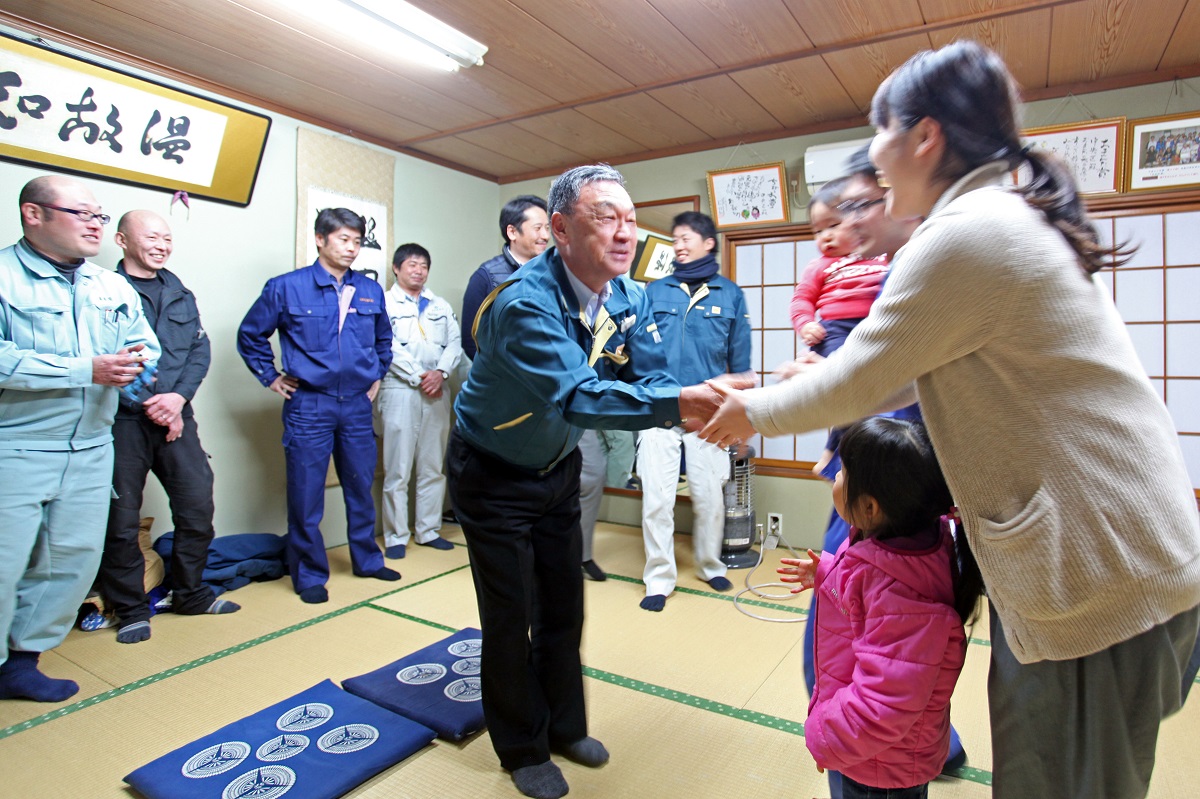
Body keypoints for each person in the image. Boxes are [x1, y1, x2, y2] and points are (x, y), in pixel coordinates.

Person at [698, 41, 1200, 799]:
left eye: (879, 131)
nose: (872, 159)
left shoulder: (968, 230)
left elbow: (865, 376)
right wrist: (825, 380)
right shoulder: (1000, 218)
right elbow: (892, 374)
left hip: (1097, 579)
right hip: (1108, 566)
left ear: (924, 135)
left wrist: (748, 412)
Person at [448, 164, 744, 799]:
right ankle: (521, 747)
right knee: (510, 618)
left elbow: (652, 371)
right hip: (492, 471)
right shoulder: (524, 301)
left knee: (563, 606)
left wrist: (704, 391)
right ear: (559, 229)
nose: (625, 233)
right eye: (605, 217)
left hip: (554, 465)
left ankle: (564, 726)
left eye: (631, 219)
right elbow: (580, 398)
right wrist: (685, 403)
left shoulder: (627, 294)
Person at [0, 175, 159, 701]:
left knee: (69, 561)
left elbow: (144, 344)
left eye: (100, 216)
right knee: (4, 562)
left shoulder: (109, 285)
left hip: (92, 446)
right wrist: (80, 370)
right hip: (16, 445)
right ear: (34, 214)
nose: (96, 224)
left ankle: (22, 664)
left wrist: (136, 367)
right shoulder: (3, 274)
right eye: (82, 214)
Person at [779, 417, 983, 799]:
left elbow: (881, 705)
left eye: (841, 473)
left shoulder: (902, 595)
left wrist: (824, 738)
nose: (834, 479)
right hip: (876, 754)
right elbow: (867, 600)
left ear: (870, 506)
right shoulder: (901, 541)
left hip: (881, 765)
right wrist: (826, 572)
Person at [237, 208, 398, 605]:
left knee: (361, 485)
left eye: (357, 241)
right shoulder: (286, 287)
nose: (351, 248)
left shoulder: (370, 290)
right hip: (310, 403)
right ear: (320, 239)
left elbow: (383, 340)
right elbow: (250, 334)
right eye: (343, 239)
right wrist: (270, 376)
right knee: (306, 493)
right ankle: (308, 572)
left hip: (357, 405)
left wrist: (376, 374)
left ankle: (367, 559)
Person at [101, 210, 239, 645]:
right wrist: (151, 404)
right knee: (121, 521)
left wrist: (177, 400)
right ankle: (130, 610)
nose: (162, 244)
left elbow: (199, 352)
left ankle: (190, 593)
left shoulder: (180, 293)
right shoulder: (101, 293)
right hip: (123, 421)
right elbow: (100, 357)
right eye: (151, 236)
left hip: (178, 415)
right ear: (122, 240)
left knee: (197, 505)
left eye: (167, 237)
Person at [636, 211, 752, 612]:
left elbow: (744, 371)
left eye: (686, 238)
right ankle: (658, 577)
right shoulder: (654, 292)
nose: (678, 245)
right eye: (675, 239)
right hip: (659, 409)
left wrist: (730, 409)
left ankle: (709, 564)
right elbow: (638, 355)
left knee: (709, 499)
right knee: (657, 499)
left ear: (708, 243)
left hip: (709, 416)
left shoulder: (730, 295)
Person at [375, 243, 461, 559]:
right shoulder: (383, 304)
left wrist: (440, 372)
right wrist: (419, 376)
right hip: (400, 390)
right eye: (412, 264)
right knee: (397, 468)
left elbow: (455, 343)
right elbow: (387, 345)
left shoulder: (439, 305)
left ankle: (428, 530)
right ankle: (396, 536)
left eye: (424, 265)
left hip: (437, 391)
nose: (418, 270)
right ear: (396, 268)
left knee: (432, 466)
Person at [459, 195, 549, 360]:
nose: (545, 236)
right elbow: (471, 340)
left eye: (547, 228)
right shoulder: (486, 276)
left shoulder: (552, 272)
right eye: (537, 228)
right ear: (512, 232)